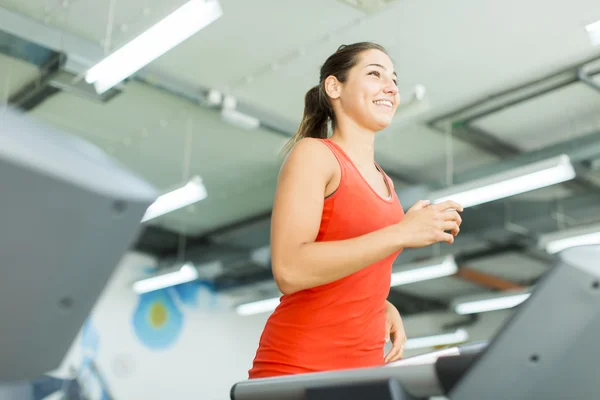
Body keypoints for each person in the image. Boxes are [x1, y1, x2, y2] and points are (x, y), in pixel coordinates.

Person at [247, 42, 463, 379]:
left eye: (394, 80)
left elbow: (351, 268)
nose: (391, 87)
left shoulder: (385, 181)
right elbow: (290, 270)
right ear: (334, 87)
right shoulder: (315, 154)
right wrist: (403, 232)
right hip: (301, 366)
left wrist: (378, 304)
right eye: (375, 74)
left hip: (364, 367)